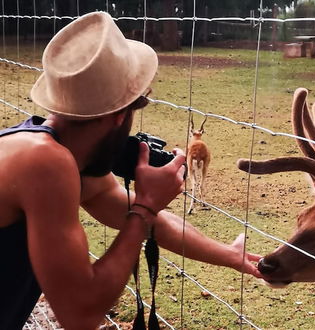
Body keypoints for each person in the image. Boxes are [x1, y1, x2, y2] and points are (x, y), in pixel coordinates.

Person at [0, 11, 261, 329]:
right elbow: (79, 314)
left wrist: (230, 255)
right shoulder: (44, 163)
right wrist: (146, 205)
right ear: (120, 116)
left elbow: (157, 225)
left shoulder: (51, 153)